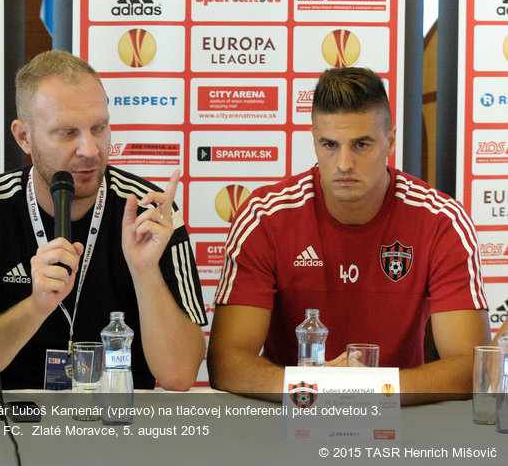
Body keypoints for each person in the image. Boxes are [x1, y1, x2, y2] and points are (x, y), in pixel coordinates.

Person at [207, 67, 491, 404]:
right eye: (330, 144)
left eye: (361, 144)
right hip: (293, 416)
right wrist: (315, 388)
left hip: (399, 420)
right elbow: (226, 363)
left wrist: (367, 389)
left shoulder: (442, 220)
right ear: (314, 140)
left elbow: (470, 369)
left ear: (390, 141)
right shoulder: (264, 216)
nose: (344, 163)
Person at [0, 50, 207, 391]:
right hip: (11, 428)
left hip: (119, 423)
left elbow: (179, 376)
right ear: (24, 137)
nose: (90, 149)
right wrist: (36, 306)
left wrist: (145, 271)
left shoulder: (149, 212)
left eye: (99, 128)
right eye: (67, 133)